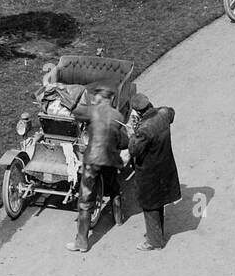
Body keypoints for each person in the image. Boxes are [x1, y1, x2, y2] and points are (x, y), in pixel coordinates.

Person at [66, 87, 128, 254]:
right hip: (111, 159)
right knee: (114, 188)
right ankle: (119, 218)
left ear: (100, 99)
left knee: (85, 201)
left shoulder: (92, 112)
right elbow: (124, 142)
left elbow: (74, 113)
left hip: (93, 160)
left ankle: (82, 242)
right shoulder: (118, 116)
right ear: (111, 100)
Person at [127, 93, 180, 252]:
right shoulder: (163, 114)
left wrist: (132, 132)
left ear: (138, 112)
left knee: (150, 206)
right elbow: (171, 112)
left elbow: (133, 149)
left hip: (149, 172)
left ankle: (154, 242)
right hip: (165, 166)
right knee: (158, 202)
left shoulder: (144, 129)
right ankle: (156, 234)